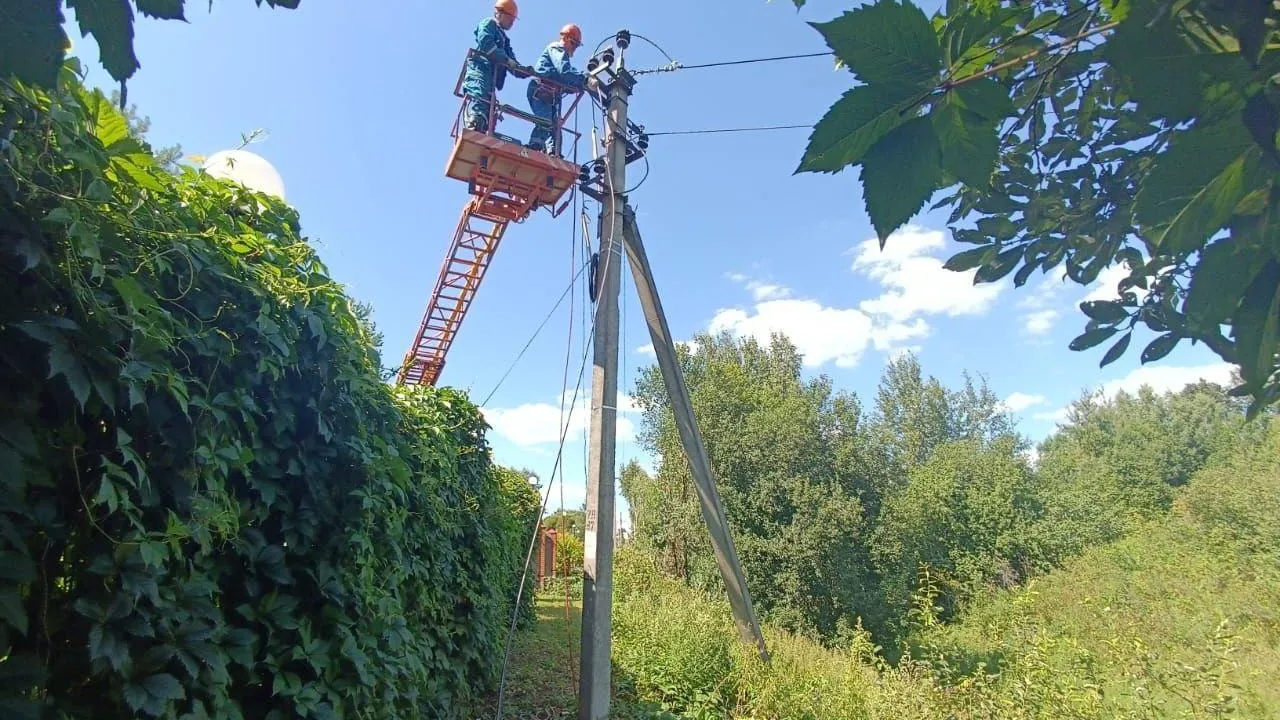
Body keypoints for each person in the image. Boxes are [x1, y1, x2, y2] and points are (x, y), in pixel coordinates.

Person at [526, 24, 597, 156]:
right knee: (545, 120)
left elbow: (565, 79)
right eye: (573, 44)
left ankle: (553, 152)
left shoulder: (561, 55)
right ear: (565, 38)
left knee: (556, 127)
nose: (574, 48)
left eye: (576, 46)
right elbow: (564, 71)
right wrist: (584, 80)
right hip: (540, 90)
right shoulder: (556, 48)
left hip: (551, 95)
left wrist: (578, 85)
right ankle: (535, 146)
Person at [462, 0, 531, 133]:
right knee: (479, 94)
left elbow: (512, 63)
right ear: (500, 13)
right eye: (510, 18)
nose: (512, 22)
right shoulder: (489, 24)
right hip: (480, 69)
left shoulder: (504, 39)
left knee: (488, 103)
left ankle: (481, 127)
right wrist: (505, 59)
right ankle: (475, 123)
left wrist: (524, 71)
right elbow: (486, 42)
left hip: (490, 76)